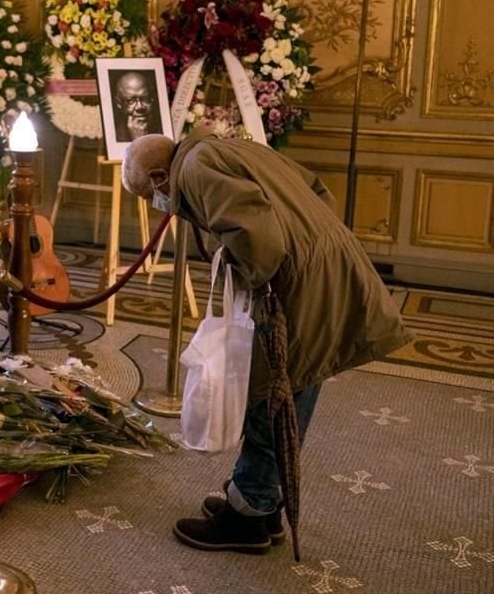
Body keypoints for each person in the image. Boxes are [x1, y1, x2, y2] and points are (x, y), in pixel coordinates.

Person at [123, 127, 412, 555]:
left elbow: (259, 240)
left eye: (150, 196)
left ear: (161, 177)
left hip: (296, 283)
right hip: (322, 265)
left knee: (271, 394)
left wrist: (253, 277)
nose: (157, 205)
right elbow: (317, 189)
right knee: (292, 384)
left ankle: (250, 514)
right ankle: (262, 501)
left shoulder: (195, 169)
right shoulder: (225, 146)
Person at [111, 71, 162, 142]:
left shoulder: (161, 130)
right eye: (130, 101)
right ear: (119, 103)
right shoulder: (115, 135)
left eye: (145, 98)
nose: (140, 107)